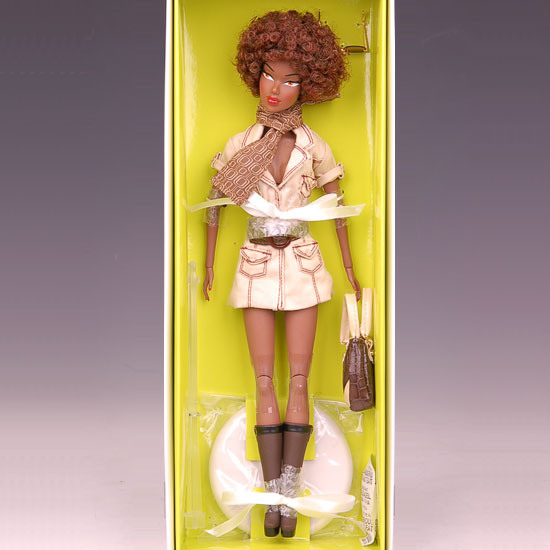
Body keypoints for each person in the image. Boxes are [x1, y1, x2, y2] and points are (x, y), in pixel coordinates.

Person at [201, 10, 361, 538]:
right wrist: (208, 265)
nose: (276, 88)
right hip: (255, 262)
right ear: (255, 72)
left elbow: (337, 210)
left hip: (302, 263)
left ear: (307, 85)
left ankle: (288, 498)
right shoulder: (241, 145)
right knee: (264, 380)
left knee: (298, 380)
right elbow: (214, 205)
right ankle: (272, 497)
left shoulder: (314, 147)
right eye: (269, 74)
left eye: (290, 80)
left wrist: (351, 269)